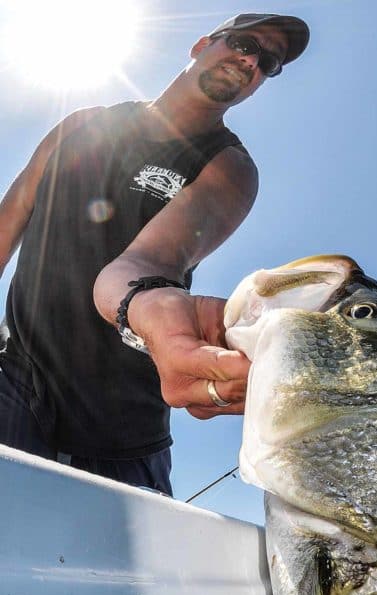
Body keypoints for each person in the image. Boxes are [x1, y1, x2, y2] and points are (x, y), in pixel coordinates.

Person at [0, 12, 309, 495]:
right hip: (16, 377)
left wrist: (141, 304)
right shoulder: (81, 126)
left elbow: (151, 261)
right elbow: (11, 216)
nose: (250, 60)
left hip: (124, 423)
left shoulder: (230, 168)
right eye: (244, 42)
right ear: (203, 44)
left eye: (268, 62)